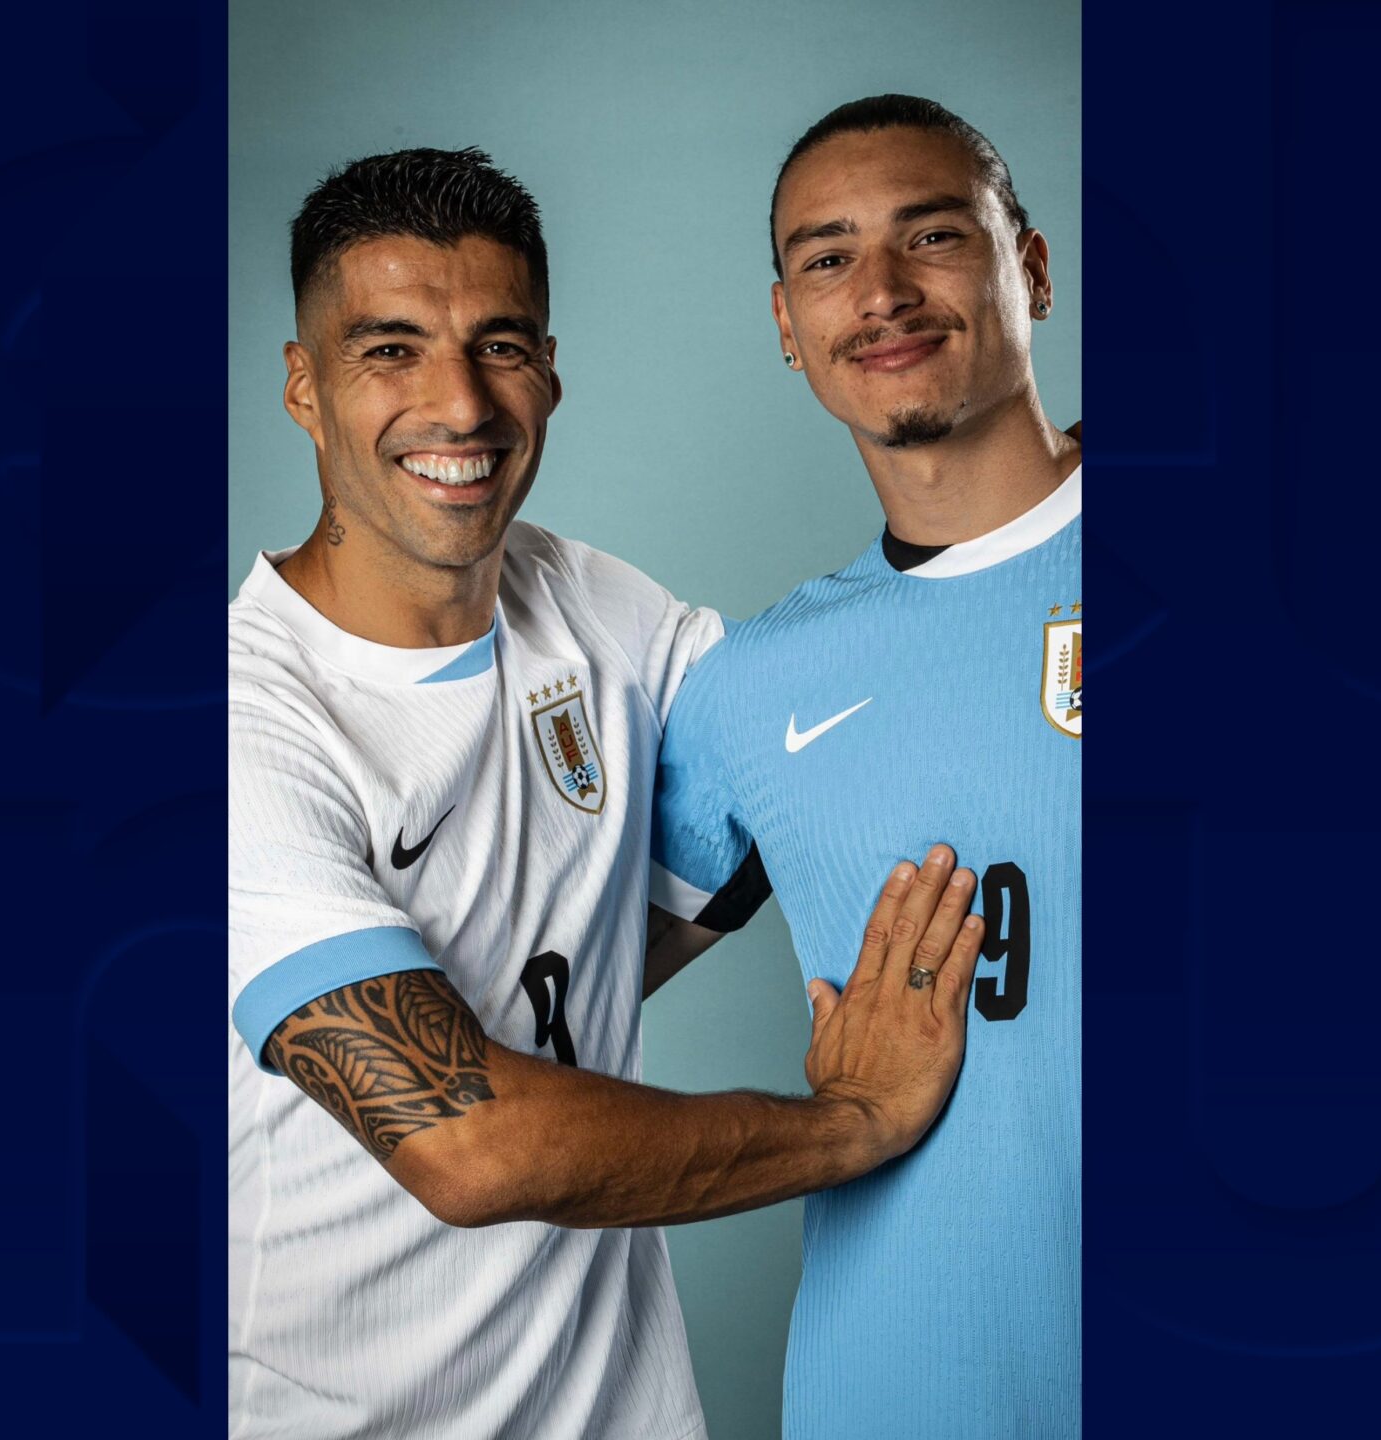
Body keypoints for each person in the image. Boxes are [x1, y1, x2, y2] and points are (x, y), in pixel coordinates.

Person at [230, 146, 989, 1440]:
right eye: (391, 350)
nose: (460, 403)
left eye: (500, 345)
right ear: (304, 385)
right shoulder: (249, 725)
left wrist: (1052, 520)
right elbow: (468, 1147)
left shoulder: (592, 607)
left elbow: (811, 728)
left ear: (550, 367)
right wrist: (853, 1125)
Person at [646, 96, 1081, 1439]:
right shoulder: (752, 686)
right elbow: (536, 983)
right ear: (789, 325)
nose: (881, 291)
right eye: (828, 258)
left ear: (1030, 269)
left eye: (932, 235)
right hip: (905, 1393)